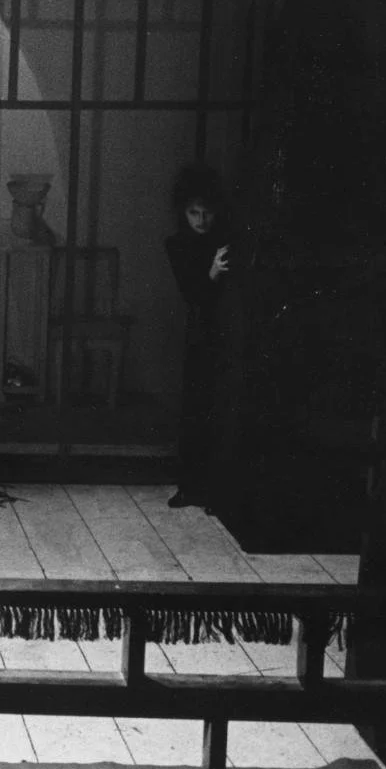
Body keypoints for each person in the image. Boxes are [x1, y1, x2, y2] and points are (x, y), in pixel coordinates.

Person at [163, 165, 232, 511]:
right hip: (200, 333)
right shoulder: (177, 244)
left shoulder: (228, 240)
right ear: (183, 212)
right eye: (194, 213)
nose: (201, 220)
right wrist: (213, 272)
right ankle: (189, 486)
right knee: (195, 408)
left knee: (223, 409)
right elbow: (193, 295)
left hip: (229, 330)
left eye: (207, 213)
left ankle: (216, 488)